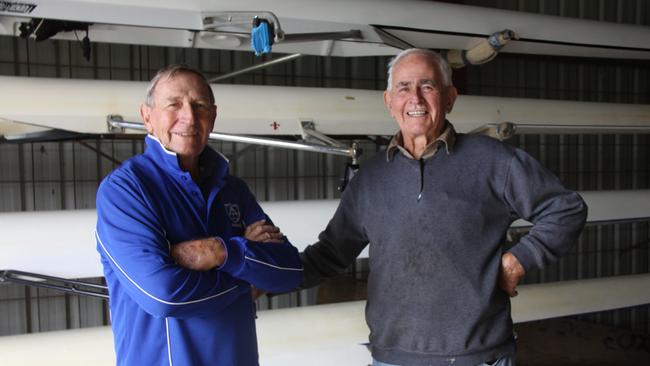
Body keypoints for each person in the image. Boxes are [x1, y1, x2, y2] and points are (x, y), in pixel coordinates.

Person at [300, 49, 588, 366]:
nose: (416, 99)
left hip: (477, 358)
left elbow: (565, 209)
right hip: (393, 359)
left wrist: (517, 261)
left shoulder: (493, 161)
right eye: (404, 88)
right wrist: (262, 277)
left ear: (450, 98)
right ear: (388, 101)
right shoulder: (370, 179)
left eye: (428, 86)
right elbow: (329, 254)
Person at [95, 65, 303, 366]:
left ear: (213, 116)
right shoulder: (126, 190)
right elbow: (164, 295)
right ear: (147, 117)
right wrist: (248, 275)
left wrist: (221, 251)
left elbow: (289, 271)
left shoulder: (232, 189)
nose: (189, 117)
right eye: (174, 104)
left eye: (199, 105)